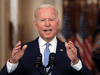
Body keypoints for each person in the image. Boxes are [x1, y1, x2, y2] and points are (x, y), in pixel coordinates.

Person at [0, 4, 93, 75]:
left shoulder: (71, 51)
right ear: (36, 25)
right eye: (42, 20)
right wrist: (12, 62)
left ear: (57, 24)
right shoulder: (24, 51)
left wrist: (76, 62)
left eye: (51, 19)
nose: (47, 24)